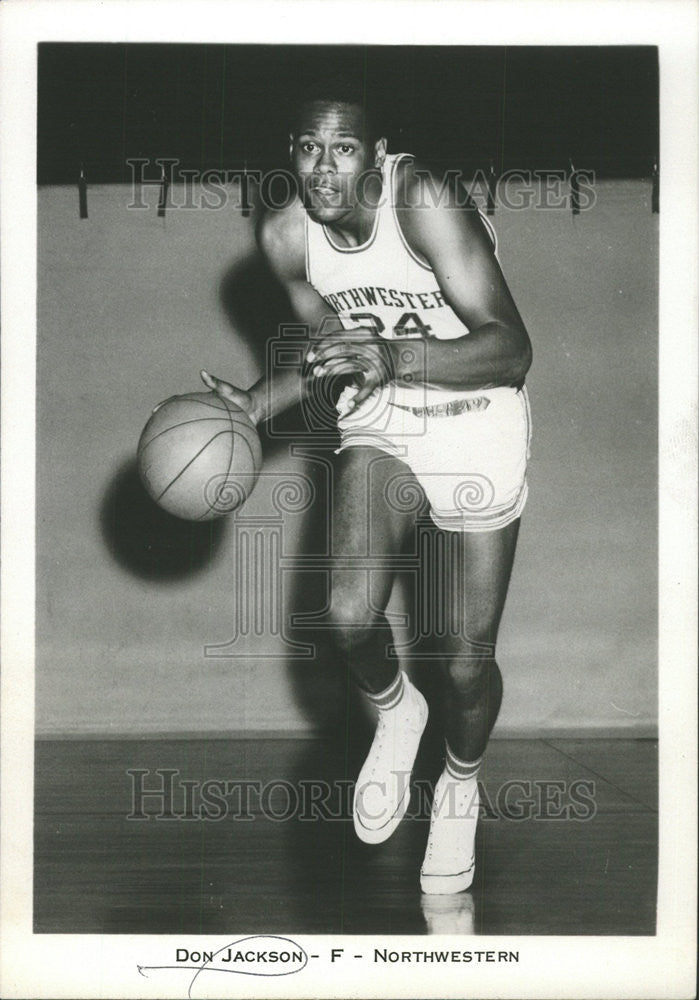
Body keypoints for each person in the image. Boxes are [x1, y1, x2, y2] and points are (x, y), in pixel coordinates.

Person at [201, 81, 532, 894]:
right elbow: (331, 345)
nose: (323, 167)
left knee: (463, 662)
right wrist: (255, 402)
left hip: (476, 405)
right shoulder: (284, 233)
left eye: (343, 149)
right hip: (384, 414)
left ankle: (459, 780)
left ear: (376, 155)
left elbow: (511, 348)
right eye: (308, 147)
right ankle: (395, 710)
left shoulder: (423, 202)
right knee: (347, 615)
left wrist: (394, 358)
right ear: (291, 150)